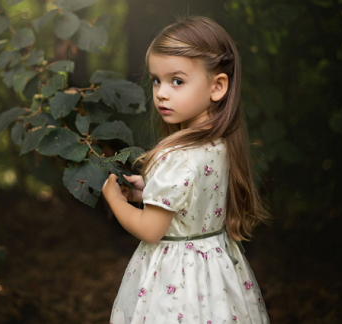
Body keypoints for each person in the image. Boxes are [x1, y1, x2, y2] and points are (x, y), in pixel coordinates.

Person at [102, 16, 270, 324]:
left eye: (176, 81)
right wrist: (147, 192)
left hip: (175, 280)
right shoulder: (221, 143)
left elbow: (151, 230)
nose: (162, 92)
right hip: (218, 274)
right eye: (156, 80)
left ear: (217, 86)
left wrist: (115, 199)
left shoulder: (175, 155)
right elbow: (194, 201)